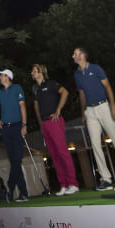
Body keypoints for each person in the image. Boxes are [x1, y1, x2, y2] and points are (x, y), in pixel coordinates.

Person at [72, 48, 115, 190]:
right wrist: (83, 112)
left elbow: (107, 87)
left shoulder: (96, 68)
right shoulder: (77, 74)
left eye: (75, 54)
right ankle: (105, 179)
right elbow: (81, 93)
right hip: (90, 111)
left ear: (82, 55)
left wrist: (112, 107)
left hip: (104, 107)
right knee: (95, 145)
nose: (73, 56)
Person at [30, 64, 79, 196]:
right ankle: (63, 185)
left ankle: (73, 184)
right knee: (54, 155)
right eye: (32, 71)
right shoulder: (35, 89)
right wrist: (41, 124)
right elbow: (36, 107)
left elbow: (65, 92)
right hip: (45, 124)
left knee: (63, 152)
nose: (32, 73)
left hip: (54, 121)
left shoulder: (51, 83)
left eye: (34, 71)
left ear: (41, 72)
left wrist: (58, 110)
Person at [0, 69, 30, 202]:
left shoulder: (17, 88)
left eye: (2, 75)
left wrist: (24, 125)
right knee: (14, 161)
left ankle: (11, 188)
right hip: (5, 128)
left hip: (17, 126)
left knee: (17, 159)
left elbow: (22, 106)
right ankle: (22, 193)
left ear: (8, 77)